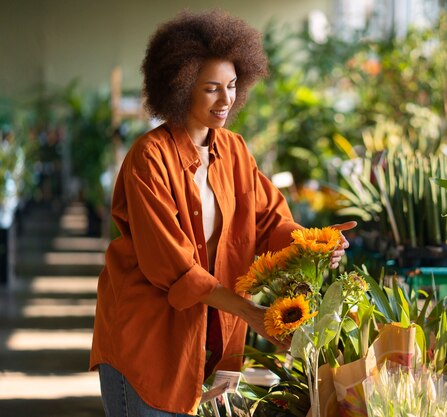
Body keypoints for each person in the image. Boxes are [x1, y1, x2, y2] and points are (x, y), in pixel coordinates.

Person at [89, 10, 356, 417]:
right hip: (146, 341)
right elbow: (172, 266)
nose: (226, 99)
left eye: (231, 86)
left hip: (209, 343)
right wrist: (250, 312)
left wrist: (315, 245)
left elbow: (270, 222)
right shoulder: (149, 158)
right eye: (211, 88)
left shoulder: (233, 150)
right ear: (178, 88)